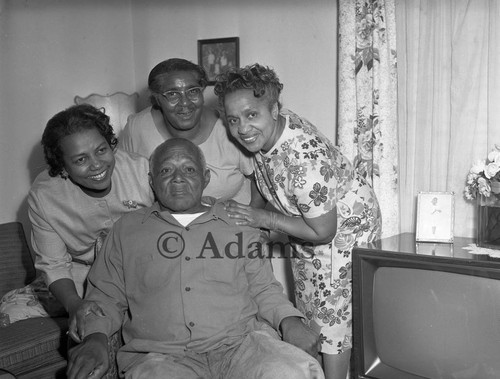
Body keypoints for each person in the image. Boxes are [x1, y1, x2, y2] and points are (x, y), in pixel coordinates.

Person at [66, 138, 325, 379]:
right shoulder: (126, 230)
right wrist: (95, 337)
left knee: (293, 371)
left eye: (189, 170)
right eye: (166, 171)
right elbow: (105, 296)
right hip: (162, 357)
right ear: (151, 181)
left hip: (243, 347)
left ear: (206, 177)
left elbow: (264, 288)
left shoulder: (239, 222)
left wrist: (290, 321)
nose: (178, 178)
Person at [214, 64, 382, 379]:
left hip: (342, 229)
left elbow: (322, 231)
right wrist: (257, 217)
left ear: (275, 109)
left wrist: (264, 218)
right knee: (309, 307)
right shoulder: (263, 135)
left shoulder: (307, 163)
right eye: (233, 119)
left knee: (332, 316)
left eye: (252, 115)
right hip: (309, 222)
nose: (242, 128)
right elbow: (262, 175)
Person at [28, 104, 154, 336]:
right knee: (88, 329)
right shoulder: (44, 196)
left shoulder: (141, 169)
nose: (97, 165)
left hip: (145, 268)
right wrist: (75, 304)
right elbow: (54, 265)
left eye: (101, 150)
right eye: (80, 160)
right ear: (62, 167)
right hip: (82, 276)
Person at [119, 58, 254, 204]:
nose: (185, 103)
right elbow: (120, 177)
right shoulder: (137, 128)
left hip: (230, 221)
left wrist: (251, 217)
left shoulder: (230, 127)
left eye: (193, 91)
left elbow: (261, 182)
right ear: (157, 99)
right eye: (172, 94)